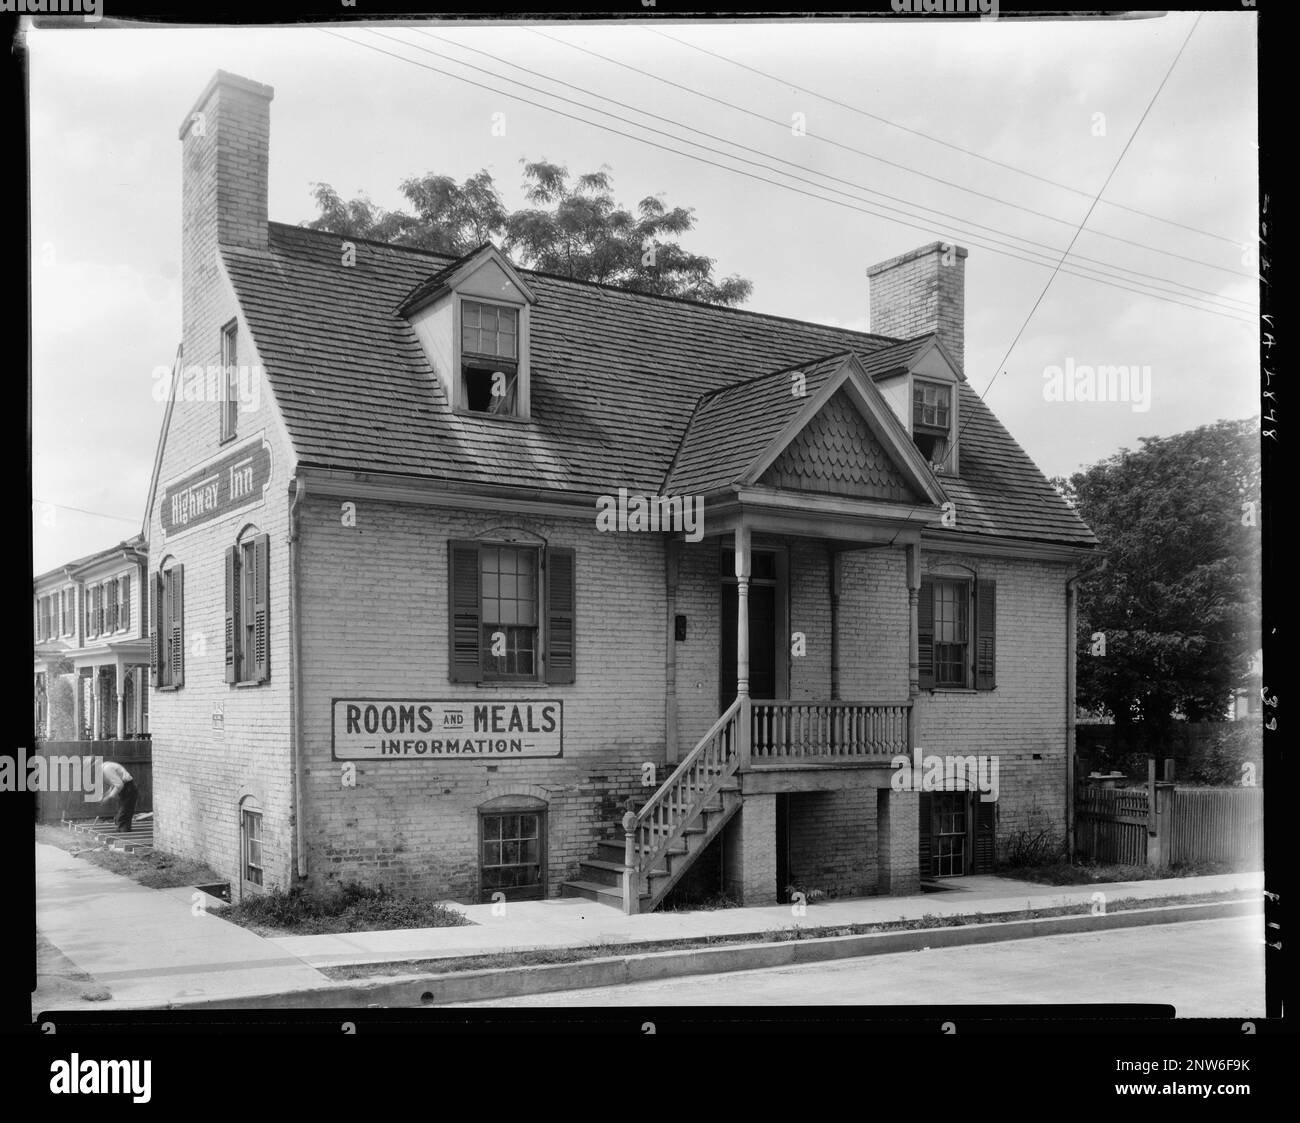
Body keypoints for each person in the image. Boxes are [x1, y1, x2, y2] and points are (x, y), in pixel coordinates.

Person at [100, 760, 138, 833]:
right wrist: (108, 793)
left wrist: (108, 797)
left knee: (123, 815)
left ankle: (124, 835)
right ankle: (123, 831)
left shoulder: (107, 769)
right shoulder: (105, 767)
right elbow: (114, 782)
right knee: (124, 814)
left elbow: (119, 785)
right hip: (127, 788)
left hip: (128, 788)